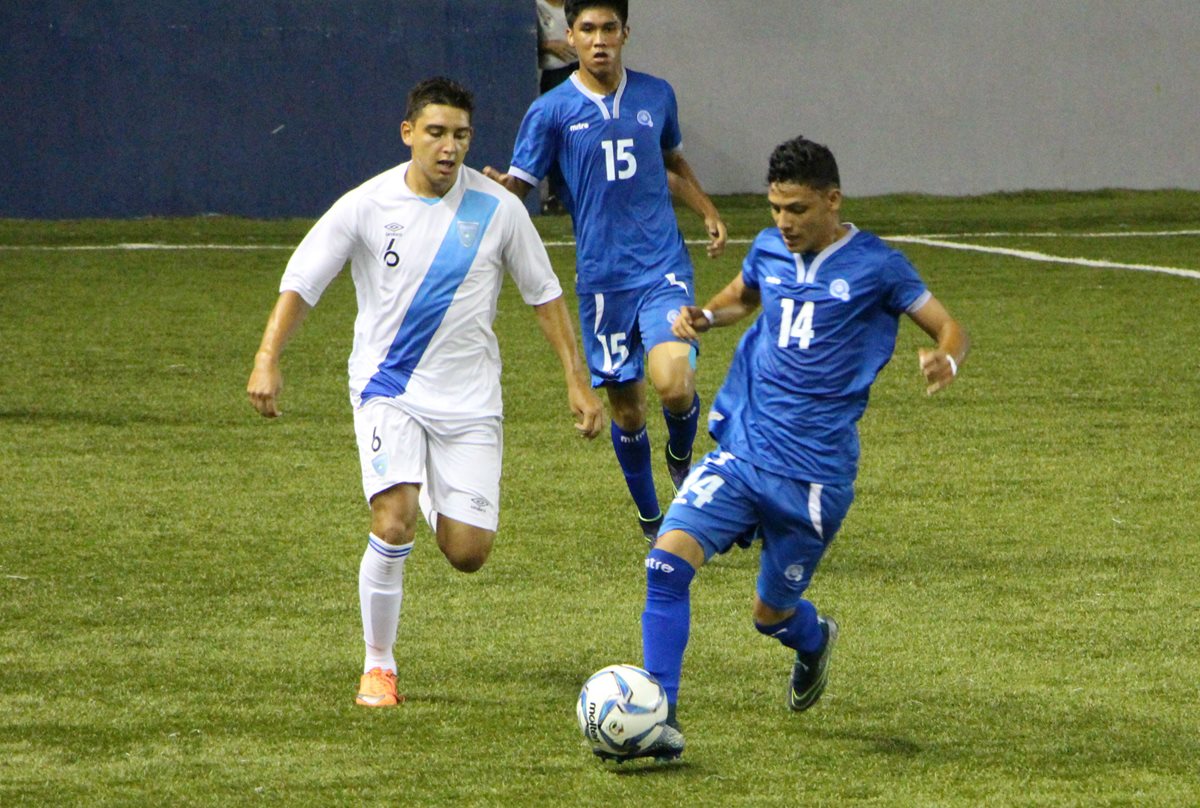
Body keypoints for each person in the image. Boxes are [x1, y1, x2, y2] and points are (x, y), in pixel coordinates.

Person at [246, 76, 604, 708]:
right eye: (436, 133)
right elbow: (303, 280)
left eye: (461, 135)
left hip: (470, 403)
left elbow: (544, 294)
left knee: (468, 555)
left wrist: (577, 380)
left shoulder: (498, 208)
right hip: (389, 390)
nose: (449, 147)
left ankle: (436, 498)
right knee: (392, 519)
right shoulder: (365, 205)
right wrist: (267, 357)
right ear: (408, 133)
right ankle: (377, 665)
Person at [627, 136, 970, 762]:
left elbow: (948, 325)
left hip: (814, 479)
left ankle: (813, 641)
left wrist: (945, 355)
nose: (783, 222)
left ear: (832, 201)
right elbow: (742, 295)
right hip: (743, 450)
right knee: (665, 564)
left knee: (770, 615)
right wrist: (705, 314)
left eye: (797, 210)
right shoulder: (767, 248)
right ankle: (660, 717)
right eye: (775, 208)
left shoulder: (878, 267)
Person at [485, 0, 728, 543]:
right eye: (587, 29)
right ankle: (651, 520)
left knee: (674, 382)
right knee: (629, 412)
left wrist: (707, 209)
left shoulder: (655, 94)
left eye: (609, 28)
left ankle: (682, 456)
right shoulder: (550, 111)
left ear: (625, 33)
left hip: (663, 267)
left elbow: (670, 164)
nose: (599, 40)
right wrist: (499, 190)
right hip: (603, 280)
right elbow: (520, 187)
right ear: (569, 36)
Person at [534, 0, 577, 213]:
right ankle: (556, 194)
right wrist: (547, 45)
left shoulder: (576, 5)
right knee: (555, 134)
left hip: (579, 70)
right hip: (554, 76)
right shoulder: (538, 7)